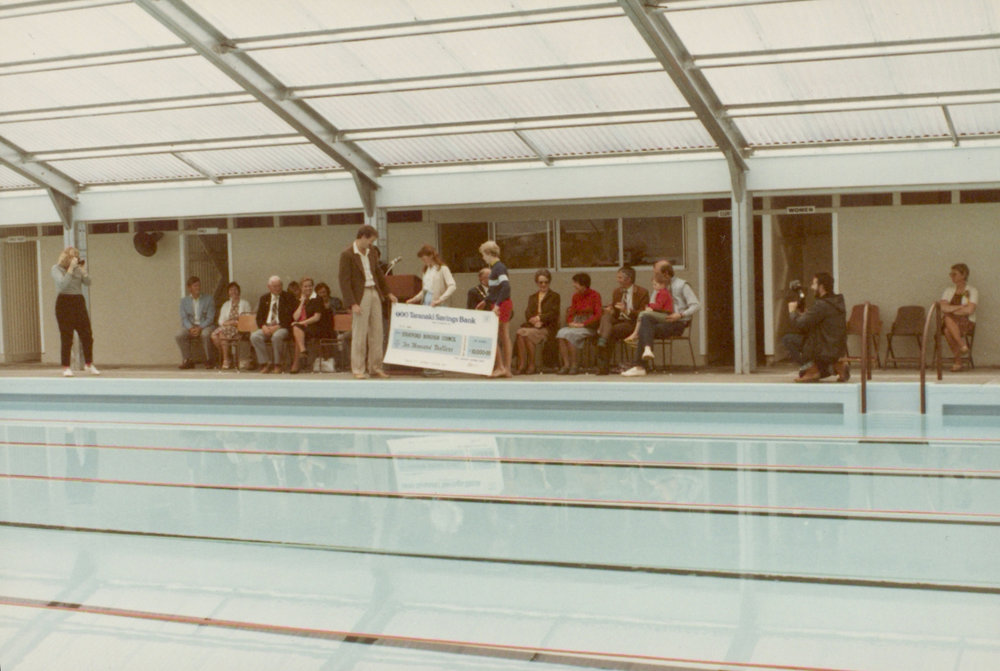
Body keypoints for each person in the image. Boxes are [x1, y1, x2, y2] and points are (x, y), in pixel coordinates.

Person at [622, 260, 700, 376]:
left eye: (656, 273)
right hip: (660, 320)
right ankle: (644, 356)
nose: (654, 276)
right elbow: (653, 303)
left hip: (677, 323)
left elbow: (696, 304)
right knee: (646, 321)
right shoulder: (659, 286)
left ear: (666, 274)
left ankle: (640, 366)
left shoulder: (682, 285)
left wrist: (681, 314)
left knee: (645, 327)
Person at [339, 224, 397, 379]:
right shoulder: (347, 254)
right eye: (370, 241)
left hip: (374, 292)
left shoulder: (371, 253)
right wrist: (352, 303)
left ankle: (375, 367)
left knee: (377, 332)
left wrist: (388, 293)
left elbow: (378, 274)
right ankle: (358, 369)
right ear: (363, 237)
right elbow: (344, 281)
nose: (371, 244)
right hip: (360, 295)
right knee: (359, 333)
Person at [786, 272, 849, 383]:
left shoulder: (822, 305)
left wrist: (792, 312)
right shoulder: (836, 302)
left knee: (789, 339)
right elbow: (820, 322)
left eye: (814, 284)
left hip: (823, 347)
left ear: (821, 286)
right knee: (806, 368)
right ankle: (837, 366)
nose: (812, 287)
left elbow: (801, 325)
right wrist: (806, 315)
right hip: (836, 348)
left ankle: (812, 370)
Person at [52, 247, 99, 377]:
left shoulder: (78, 269)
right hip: (64, 301)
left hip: (78, 300)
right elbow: (62, 285)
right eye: (73, 257)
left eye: (77, 257)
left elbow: (88, 282)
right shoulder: (56, 269)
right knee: (67, 336)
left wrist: (83, 271)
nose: (76, 259)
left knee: (87, 334)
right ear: (66, 257)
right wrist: (71, 269)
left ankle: (89, 364)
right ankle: (66, 366)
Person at [595, 266, 649, 375]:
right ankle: (603, 339)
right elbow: (615, 310)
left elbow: (643, 313)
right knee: (606, 318)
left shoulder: (642, 292)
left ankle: (602, 366)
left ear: (628, 279)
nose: (617, 280)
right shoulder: (617, 292)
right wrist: (610, 309)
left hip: (632, 323)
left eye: (620, 277)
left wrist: (627, 311)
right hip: (618, 319)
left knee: (610, 331)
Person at [514, 269, 561, 375]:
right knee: (522, 333)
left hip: (547, 327)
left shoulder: (555, 296)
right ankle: (524, 364)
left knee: (522, 333)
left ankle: (528, 365)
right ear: (537, 283)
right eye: (541, 282)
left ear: (549, 282)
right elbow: (528, 313)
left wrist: (540, 319)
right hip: (533, 326)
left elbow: (554, 313)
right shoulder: (532, 297)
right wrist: (534, 322)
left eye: (546, 282)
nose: (543, 284)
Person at [477, 240, 513, 378]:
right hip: (500, 302)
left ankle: (501, 367)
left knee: (499, 335)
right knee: (503, 335)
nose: (483, 258)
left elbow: (506, 287)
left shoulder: (498, 268)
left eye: (483, 254)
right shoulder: (496, 268)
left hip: (502, 304)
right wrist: (485, 301)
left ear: (488, 253)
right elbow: (495, 290)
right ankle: (506, 368)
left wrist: (497, 305)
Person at [555, 273, 602, 375]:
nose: (574, 285)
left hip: (589, 325)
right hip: (576, 324)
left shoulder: (595, 295)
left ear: (584, 285)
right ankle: (566, 365)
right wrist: (570, 322)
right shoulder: (575, 296)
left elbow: (598, 315)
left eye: (576, 283)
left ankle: (574, 365)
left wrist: (584, 324)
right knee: (561, 333)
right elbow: (572, 312)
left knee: (570, 335)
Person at [937, 263, 978, 372]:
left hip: (966, 322)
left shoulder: (972, 291)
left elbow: (969, 310)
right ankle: (962, 346)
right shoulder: (948, 290)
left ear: (963, 275)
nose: (951, 276)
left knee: (947, 327)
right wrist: (960, 307)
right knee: (947, 323)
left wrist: (951, 309)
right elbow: (942, 307)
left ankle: (958, 361)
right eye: (951, 274)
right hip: (951, 322)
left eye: (954, 274)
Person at [251, 275, 295, 374]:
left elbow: (291, 317)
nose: (277, 288)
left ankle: (277, 364)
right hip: (267, 326)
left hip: (282, 326)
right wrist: (263, 327)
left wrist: (278, 326)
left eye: (279, 285)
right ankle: (266, 363)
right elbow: (259, 318)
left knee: (276, 336)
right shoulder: (264, 298)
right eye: (274, 286)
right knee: (254, 336)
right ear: (269, 287)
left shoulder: (288, 297)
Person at [175, 275, 217, 370]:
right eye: (195, 286)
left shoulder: (209, 299)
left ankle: (209, 360)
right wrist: (190, 328)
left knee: (206, 334)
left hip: (205, 325)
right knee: (179, 335)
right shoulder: (184, 301)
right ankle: (187, 360)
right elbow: (184, 318)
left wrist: (200, 328)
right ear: (189, 288)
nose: (198, 288)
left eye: (199, 285)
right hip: (191, 326)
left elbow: (210, 318)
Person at [289, 277, 329, 374]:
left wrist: (300, 323)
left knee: (297, 330)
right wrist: (302, 302)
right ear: (301, 288)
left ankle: (296, 364)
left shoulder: (317, 299)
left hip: (316, 327)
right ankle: (303, 351)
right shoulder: (299, 300)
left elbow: (316, 317)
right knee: (297, 330)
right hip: (302, 328)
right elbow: (295, 317)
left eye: (310, 286)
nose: (308, 288)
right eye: (305, 286)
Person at [210, 281, 251, 370]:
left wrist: (236, 323)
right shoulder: (226, 304)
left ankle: (226, 360)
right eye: (231, 290)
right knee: (214, 336)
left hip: (240, 327)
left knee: (222, 334)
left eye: (235, 289)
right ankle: (228, 356)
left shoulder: (245, 303)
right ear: (228, 292)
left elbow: (248, 318)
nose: (233, 292)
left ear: (239, 291)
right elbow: (220, 320)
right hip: (227, 326)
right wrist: (228, 323)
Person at [623, 275, 673, 342]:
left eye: (655, 284)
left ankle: (636, 333)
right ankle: (638, 335)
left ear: (663, 284)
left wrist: (649, 306)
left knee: (643, 313)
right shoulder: (662, 292)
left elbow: (659, 306)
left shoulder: (663, 293)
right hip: (663, 313)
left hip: (666, 315)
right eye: (653, 284)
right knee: (644, 314)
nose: (654, 286)